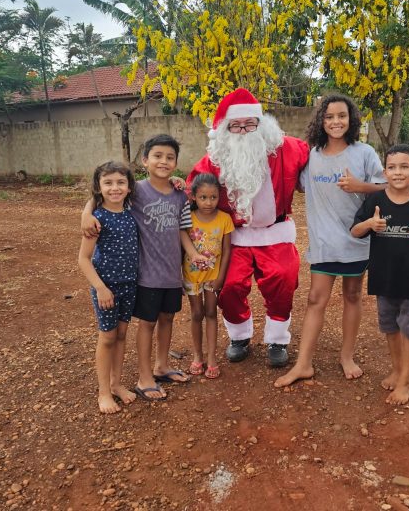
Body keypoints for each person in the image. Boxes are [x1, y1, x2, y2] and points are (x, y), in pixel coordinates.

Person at [187, 88, 309, 368]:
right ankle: (239, 336)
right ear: (225, 128)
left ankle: (277, 339)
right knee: (228, 286)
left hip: (276, 233)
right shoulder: (215, 159)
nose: (243, 130)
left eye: (249, 124)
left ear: (261, 124)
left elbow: (317, 160)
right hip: (235, 238)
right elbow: (190, 189)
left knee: (283, 279)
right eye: (236, 125)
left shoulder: (288, 148)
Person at [275, 94, 386, 388]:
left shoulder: (364, 153)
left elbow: (385, 187)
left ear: (350, 120)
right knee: (315, 299)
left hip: (356, 238)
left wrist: (358, 186)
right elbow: (293, 181)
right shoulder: (310, 156)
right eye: (329, 117)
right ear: (320, 121)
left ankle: (347, 356)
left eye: (341, 116)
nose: (335, 122)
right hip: (324, 241)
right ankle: (303, 364)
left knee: (352, 296)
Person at [82, 135, 200, 401]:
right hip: (146, 273)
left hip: (172, 272)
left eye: (170, 157)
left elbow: (183, 229)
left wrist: (192, 254)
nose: (164, 161)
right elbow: (105, 195)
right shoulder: (136, 192)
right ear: (145, 160)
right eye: (157, 156)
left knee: (167, 318)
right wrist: (86, 213)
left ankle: (161, 366)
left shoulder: (180, 194)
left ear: (176, 163)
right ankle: (144, 377)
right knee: (147, 324)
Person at [351, 144, 409, 406]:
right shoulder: (375, 201)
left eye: (405, 167)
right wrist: (369, 224)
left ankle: (405, 381)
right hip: (385, 280)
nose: (398, 172)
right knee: (390, 328)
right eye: (392, 167)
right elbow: (355, 231)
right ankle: (396, 369)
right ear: (384, 171)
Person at [78, 161, 139, 414]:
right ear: (99, 187)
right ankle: (103, 392)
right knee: (107, 337)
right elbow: (83, 259)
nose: (115, 188)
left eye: (121, 182)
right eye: (108, 183)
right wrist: (101, 288)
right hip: (107, 289)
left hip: (130, 285)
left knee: (122, 335)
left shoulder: (131, 213)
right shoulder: (96, 220)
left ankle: (116, 384)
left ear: (129, 187)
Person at [183, 172, 234, 379]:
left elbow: (227, 250)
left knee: (211, 313)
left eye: (213, 197)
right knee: (196, 314)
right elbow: (181, 245)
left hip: (213, 277)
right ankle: (198, 355)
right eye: (203, 197)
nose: (208, 202)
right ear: (194, 196)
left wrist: (221, 277)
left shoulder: (224, 219)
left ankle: (212, 357)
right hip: (191, 276)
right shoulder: (188, 218)